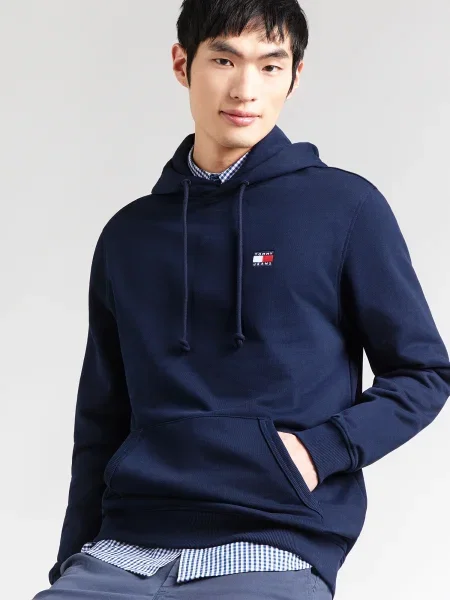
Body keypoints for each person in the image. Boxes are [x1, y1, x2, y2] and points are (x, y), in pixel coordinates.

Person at [33, 1, 450, 599]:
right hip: (123, 549)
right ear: (182, 64)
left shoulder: (345, 209)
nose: (245, 89)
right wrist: (70, 563)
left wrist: (318, 451)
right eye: (224, 60)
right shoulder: (129, 236)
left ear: (295, 76)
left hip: (272, 543)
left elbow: (423, 372)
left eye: (269, 66)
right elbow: (101, 418)